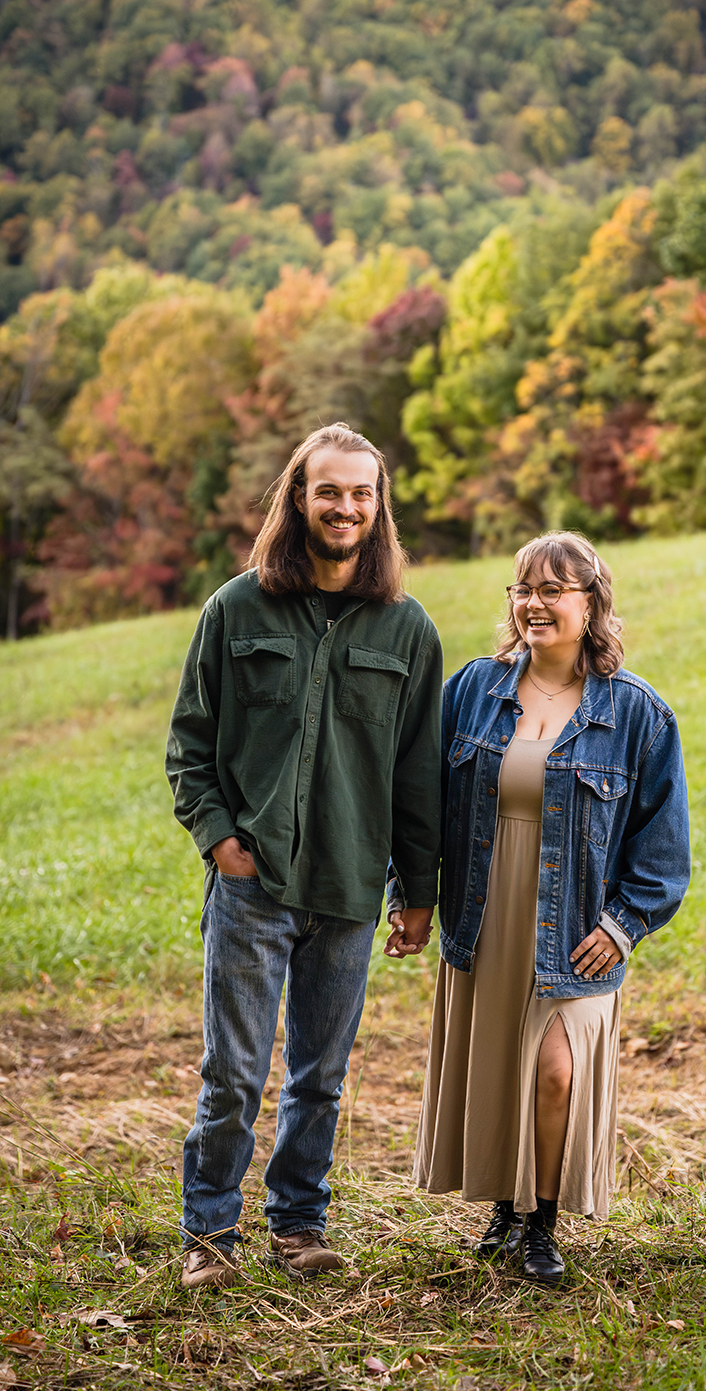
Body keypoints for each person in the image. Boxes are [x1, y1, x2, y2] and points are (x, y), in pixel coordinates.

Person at [166, 423, 442, 1288]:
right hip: (254, 886)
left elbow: (417, 773)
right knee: (235, 1075)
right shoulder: (235, 609)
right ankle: (209, 1235)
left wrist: (416, 890)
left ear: (379, 506)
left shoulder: (407, 631)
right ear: (299, 497)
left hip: (351, 891)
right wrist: (220, 839)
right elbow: (190, 745)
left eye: (362, 493)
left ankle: (298, 1223)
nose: (346, 507)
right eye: (330, 490)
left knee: (320, 1078)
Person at [413, 530, 689, 1285]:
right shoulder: (473, 689)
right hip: (486, 907)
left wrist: (624, 923)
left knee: (557, 1071)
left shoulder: (639, 714)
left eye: (554, 589)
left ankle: (541, 1223)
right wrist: (410, 896)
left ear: (591, 602)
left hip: (574, 927)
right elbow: (424, 808)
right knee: (501, 1065)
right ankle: (503, 1208)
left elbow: (663, 848)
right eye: (524, 589)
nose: (535, 603)